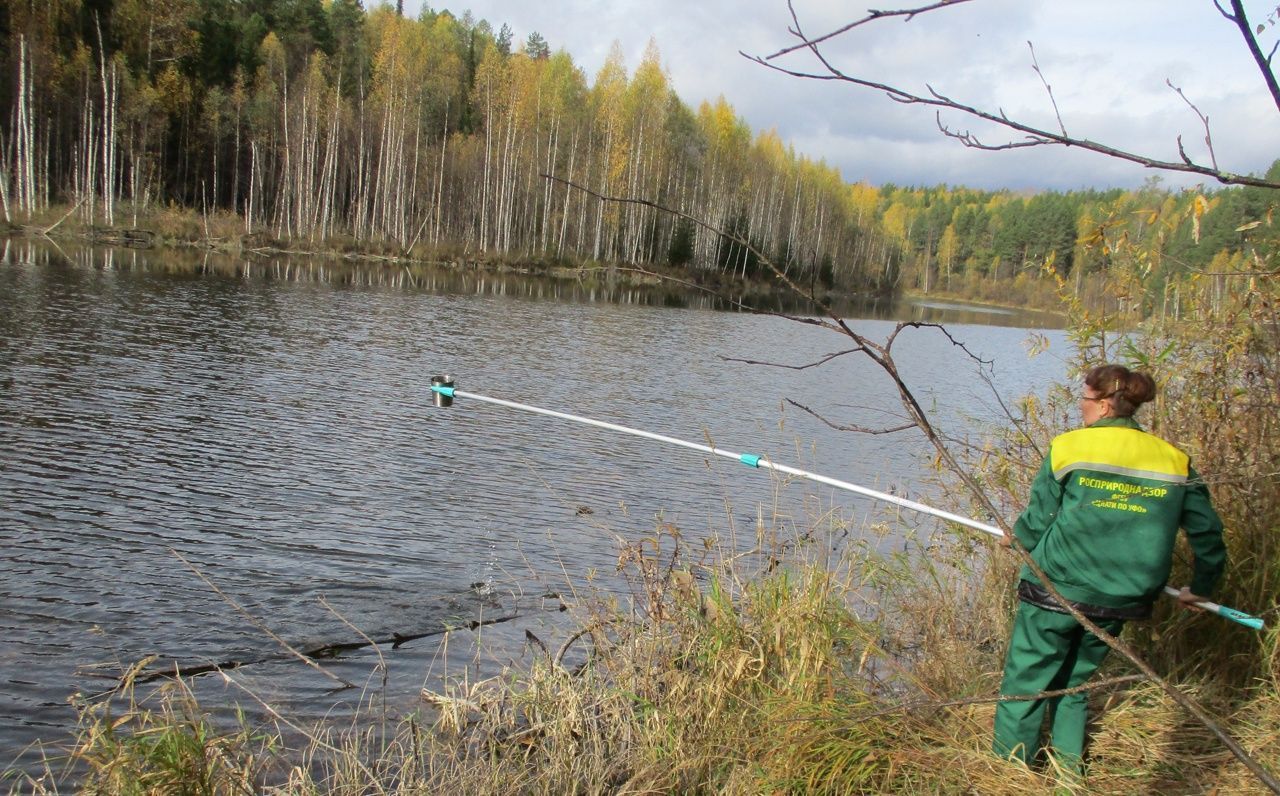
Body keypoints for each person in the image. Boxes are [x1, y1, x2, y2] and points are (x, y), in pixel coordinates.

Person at [992, 364, 1226, 772]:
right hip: (1124, 596)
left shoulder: (1069, 447)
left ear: (1102, 406)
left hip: (1056, 587)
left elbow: (1040, 516)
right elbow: (1207, 533)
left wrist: (1019, 538)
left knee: (1024, 687)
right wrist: (1201, 587)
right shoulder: (1174, 460)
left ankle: (1010, 774)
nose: (1080, 408)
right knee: (1075, 685)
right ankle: (1069, 775)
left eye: (1083, 400)